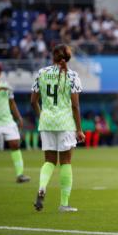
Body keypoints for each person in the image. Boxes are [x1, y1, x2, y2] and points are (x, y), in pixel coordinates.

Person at [31, 44, 85, 212]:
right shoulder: (72, 76)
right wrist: (79, 129)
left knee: (49, 161)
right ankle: (64, 203)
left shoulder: (42, 73)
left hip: (46, 122)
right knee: (66, 162)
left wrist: (43, 117)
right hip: (65, 123)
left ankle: (41, 188)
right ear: (68, 58)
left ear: (52, 57)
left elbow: (33, 101)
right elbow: (75, 106)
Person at [0, 62, 30, 185]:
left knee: (15, 144)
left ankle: (20, 175)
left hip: (7, 121)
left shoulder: (6, 86)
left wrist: (19, 117)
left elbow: (12, 103)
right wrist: (0, 88)